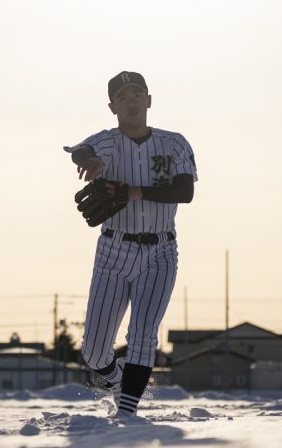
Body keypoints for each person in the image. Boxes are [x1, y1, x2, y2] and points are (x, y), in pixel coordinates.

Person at [64, 71, 197, 418]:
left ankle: (127, 412)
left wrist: (133, 191)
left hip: (160, 250)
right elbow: (82, 149)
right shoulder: (108, 142)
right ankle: (120, 383)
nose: (132, 101)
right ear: (113, 107)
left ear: (149, 100)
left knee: (142, 335)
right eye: (123, 97)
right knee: (94, 353)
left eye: (137, 93)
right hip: (113, 250)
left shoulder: (174, 143)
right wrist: (87, 159)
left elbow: (186, 191)